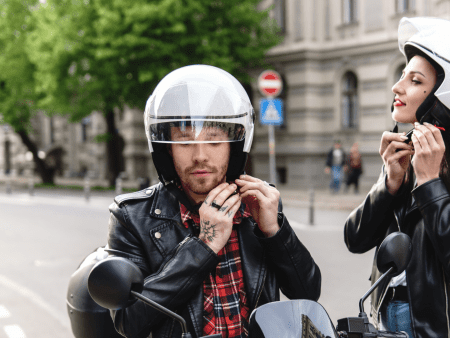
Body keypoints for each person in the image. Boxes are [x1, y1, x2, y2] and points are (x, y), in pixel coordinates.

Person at [105, 65, 321, 338]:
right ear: (165, 149)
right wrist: (204, 244)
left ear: (234, 146)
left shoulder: (257, 204)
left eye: (214, 141)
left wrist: (275, 231)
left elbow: (307, 293)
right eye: (184, 143)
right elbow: (129, 322)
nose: (200, 156)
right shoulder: (132, 216)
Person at [344, 17, 450, 338]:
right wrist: (389, 183)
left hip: (447, 327)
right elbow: (355, 240)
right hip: (389, 314)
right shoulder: (403, 154)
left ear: (449, 93)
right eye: (402, 76)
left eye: (414, 80)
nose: (397, 87)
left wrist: (430, 182)